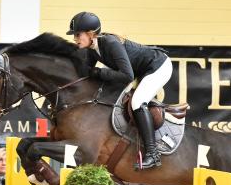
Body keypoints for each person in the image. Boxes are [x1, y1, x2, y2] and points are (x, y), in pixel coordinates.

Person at [67, 11, 173, 169]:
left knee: (137, 102)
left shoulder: (110, 43)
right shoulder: (91, 49)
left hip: (158, 66)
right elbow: (86, 74)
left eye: (78, 35)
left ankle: (153, 153)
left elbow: (127, 75)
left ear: (90, 34)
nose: (75, 39)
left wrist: (98, 72)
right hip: (142, 70)